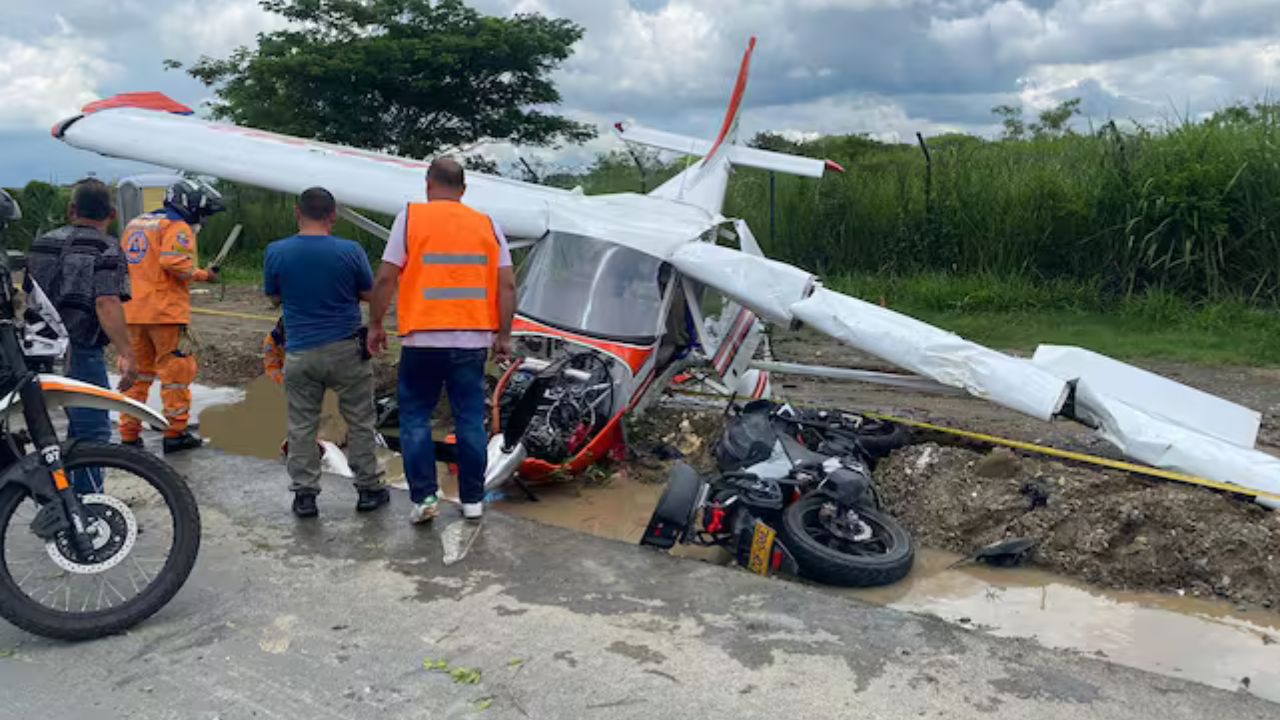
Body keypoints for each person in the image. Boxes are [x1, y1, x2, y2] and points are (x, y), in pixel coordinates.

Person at [368, 157, 516, 524]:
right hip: (472, 340)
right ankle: (472, 502)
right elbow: (507, 284)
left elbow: (386, 278)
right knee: (468, 419)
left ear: (428, 184)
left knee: (416, 417)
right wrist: (503, 335)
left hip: (422, 339)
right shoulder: (488, 225)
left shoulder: (410, 218)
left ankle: (424, 498)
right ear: (463, 190)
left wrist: (374, 325)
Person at [264, 187, 387, 518]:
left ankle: (305, 495)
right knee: (360, 420)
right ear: (333, 215)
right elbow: (367, 292)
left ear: (296, 213)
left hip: (300, 351)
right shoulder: (350, 250)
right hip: (346, 348)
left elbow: (274, 298)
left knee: (301, 424)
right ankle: (368, 489)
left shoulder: (276, 251)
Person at [26, 179, 138, 492]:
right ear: (112, 214)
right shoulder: (107, 247)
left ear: (71, 209)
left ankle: (64, 500)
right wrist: (127, 352)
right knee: (92, 433)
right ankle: (88, 514)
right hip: (79, 351)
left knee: (49, 435)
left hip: (35, 349)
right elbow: (106, 302)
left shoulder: (42, 243)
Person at [118, 178, 223, 453]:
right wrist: (202, 275)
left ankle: (129, 434)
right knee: (176, 373)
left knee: (138, 376)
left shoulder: (136, 224)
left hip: (132, 310)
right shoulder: (177, 227)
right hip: (164, 312)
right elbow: (173, 262)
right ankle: (175, 433)